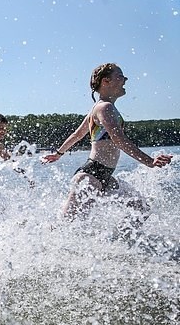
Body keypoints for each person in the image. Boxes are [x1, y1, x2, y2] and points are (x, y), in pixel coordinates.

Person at [41, 63, 172, 219]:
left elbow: (77, 135)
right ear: (105, 81)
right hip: (90, 176)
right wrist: (149, 161)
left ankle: (121, 242)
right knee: (65, 224)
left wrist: (58, 153)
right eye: (120, 76)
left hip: (106, 177)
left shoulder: (100, 108)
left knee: (141, 208)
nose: (125, 80)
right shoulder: (104, 108)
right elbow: (118, 139)